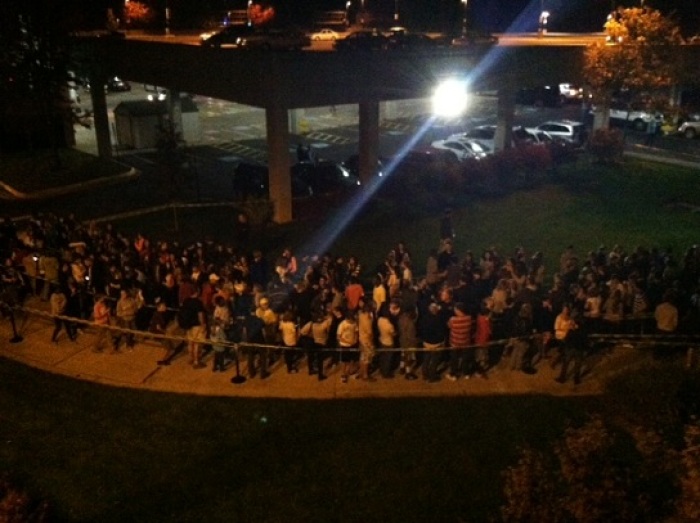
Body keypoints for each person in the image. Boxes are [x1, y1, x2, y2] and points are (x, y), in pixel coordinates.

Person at [446, 302, 473, 381]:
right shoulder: (469, 318)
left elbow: (449, 326)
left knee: (454, 359)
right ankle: (466, 373)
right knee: (465, 359)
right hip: (466, 342)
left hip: (455, 343)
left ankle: (453, 374)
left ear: (458, 310)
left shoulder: (453, 320)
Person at [337, 311, 359, 383]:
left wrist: (355, 339)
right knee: (344, 361)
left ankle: (350, 372)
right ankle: (343, 374)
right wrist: (347, 342)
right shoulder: (342, 324)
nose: (352, 321)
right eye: (350, 320)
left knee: (352, 360)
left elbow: (356, 331)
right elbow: (339, 336)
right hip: (344, 345)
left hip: (353, 344)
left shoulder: (354, 323)